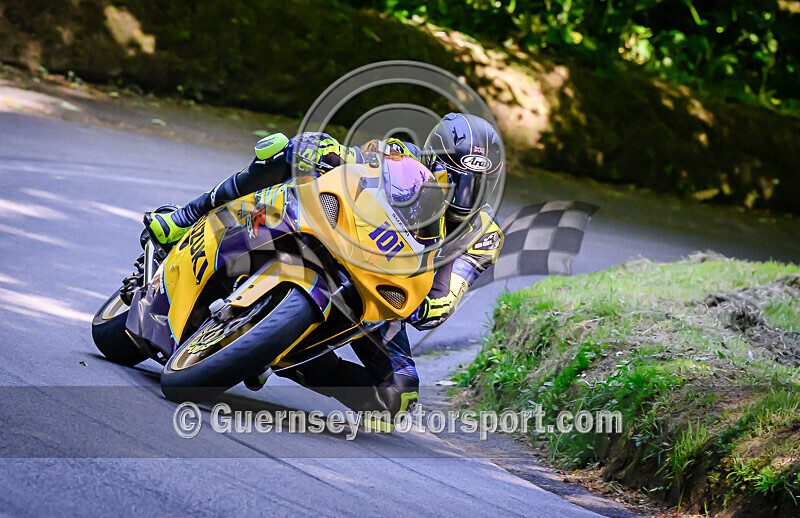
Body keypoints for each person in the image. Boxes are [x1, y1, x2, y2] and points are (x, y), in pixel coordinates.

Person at [145, 113, 505, 429]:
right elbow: (350, 158)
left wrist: (429, 305)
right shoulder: (399, 157)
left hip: (382, 291)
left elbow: (449, 294)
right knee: (284, 149)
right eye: (457, 181)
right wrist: (323, 150)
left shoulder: (484, 235)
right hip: (341, 235)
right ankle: (185, 218)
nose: (464, 198)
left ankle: (287, 356)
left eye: (477, 187)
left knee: (398, 396)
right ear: (433, 161)